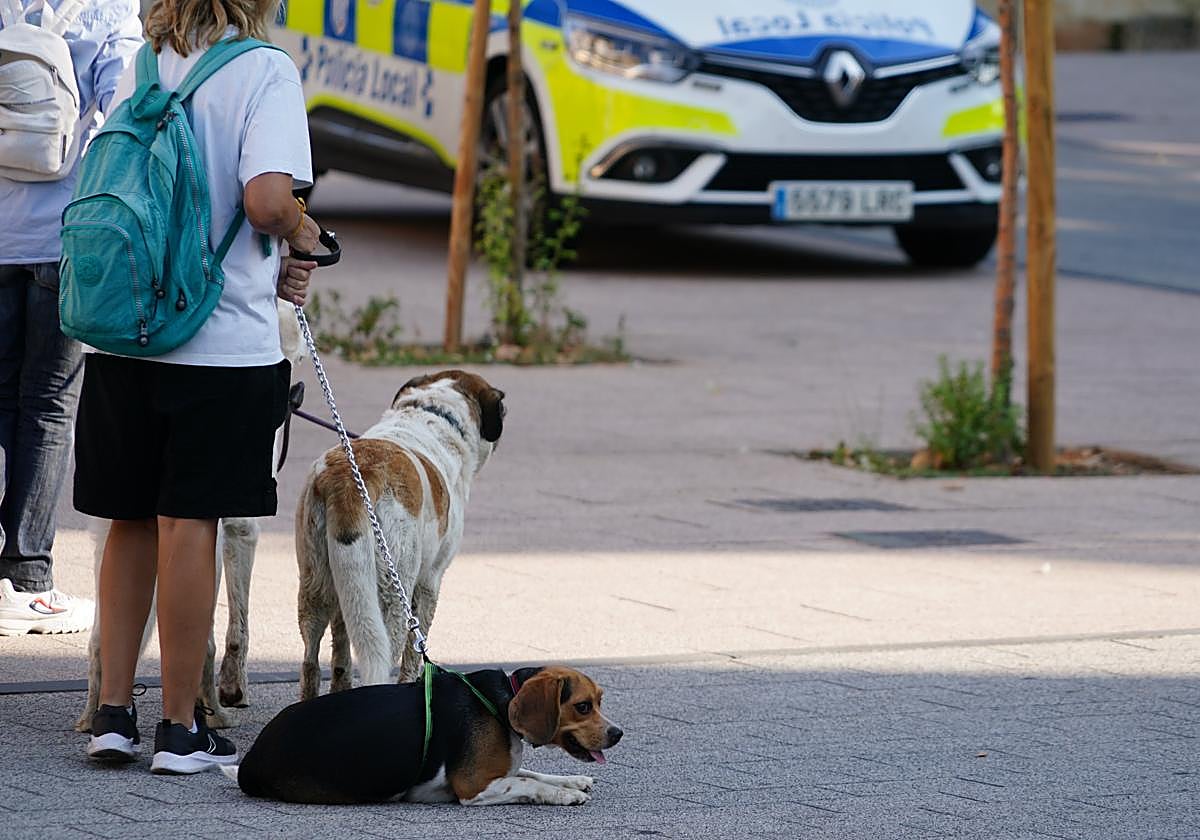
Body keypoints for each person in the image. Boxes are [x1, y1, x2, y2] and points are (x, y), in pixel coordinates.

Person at [76, 0, 322, 773]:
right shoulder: (265, 70)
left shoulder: (142, 65)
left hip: (125, 328)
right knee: (190, 522)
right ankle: (180, 729)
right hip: (217, 342)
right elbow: (267, 200)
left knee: (128, 519)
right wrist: (305, 234)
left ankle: (112, 715)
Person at [0, 0, 142, 637]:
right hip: (65, 238)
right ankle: (27, 578)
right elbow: (126, 109)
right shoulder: (107, 9)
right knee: (49, 407)